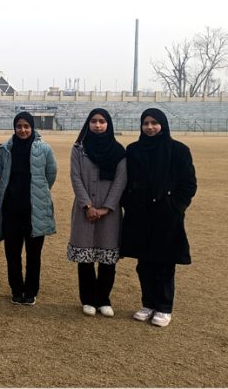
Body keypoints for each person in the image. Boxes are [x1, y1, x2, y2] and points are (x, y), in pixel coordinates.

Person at [120, 108, 197, 327]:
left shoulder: (179, 150)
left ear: (162, 124)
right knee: (144, 263)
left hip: (166, 215)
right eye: (146, 123)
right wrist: (129, 203)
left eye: (154, 122)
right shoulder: (133, 150)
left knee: (164, 262)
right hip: (140, 215)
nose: (150, 127)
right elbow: (126, 181)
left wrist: (176, 206)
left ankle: (164, 307)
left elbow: (189, 184)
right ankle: (148, 303)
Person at [67, 108, 126, 317]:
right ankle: (88, 299)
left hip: (109, 212)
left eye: (102, 121)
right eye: (94, 121)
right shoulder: (79, 149)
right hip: (85, 210)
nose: (98, 125)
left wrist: (105, 207)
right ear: (88, 124)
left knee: (107, 258)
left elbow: (120, 182)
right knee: (86, 257)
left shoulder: (119, 151)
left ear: (108, 124)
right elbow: (75, 177)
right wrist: (87, 205)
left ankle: (103, 299)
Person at [0, 111, 57, 305]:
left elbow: (51, 174)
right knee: (12, 253)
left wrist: (39, 192)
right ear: (14, 127)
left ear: (32, 127)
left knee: (33, 254)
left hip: (34, 209)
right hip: (11, 208)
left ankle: (31, 290)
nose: (23, 130)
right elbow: (1, 174)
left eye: (26, 126)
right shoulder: (5, 149)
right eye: (19, 126)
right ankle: (16, 288)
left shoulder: (44, 149)